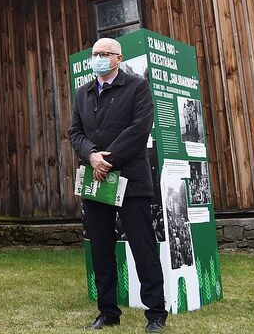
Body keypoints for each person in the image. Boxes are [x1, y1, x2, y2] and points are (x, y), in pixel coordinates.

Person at [68, 38, 167, 332]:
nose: (98, 58)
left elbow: (139, 129)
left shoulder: (137, 86)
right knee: (100, 248)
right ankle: (108, 311)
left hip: (130, 179)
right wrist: (90, 155)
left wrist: (106, 159)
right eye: (95, 54)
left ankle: (156, 313)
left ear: (118, 57)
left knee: (143, 247)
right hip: (95, 182)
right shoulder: (82, 93)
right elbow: (75, 132)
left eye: (105, 54)